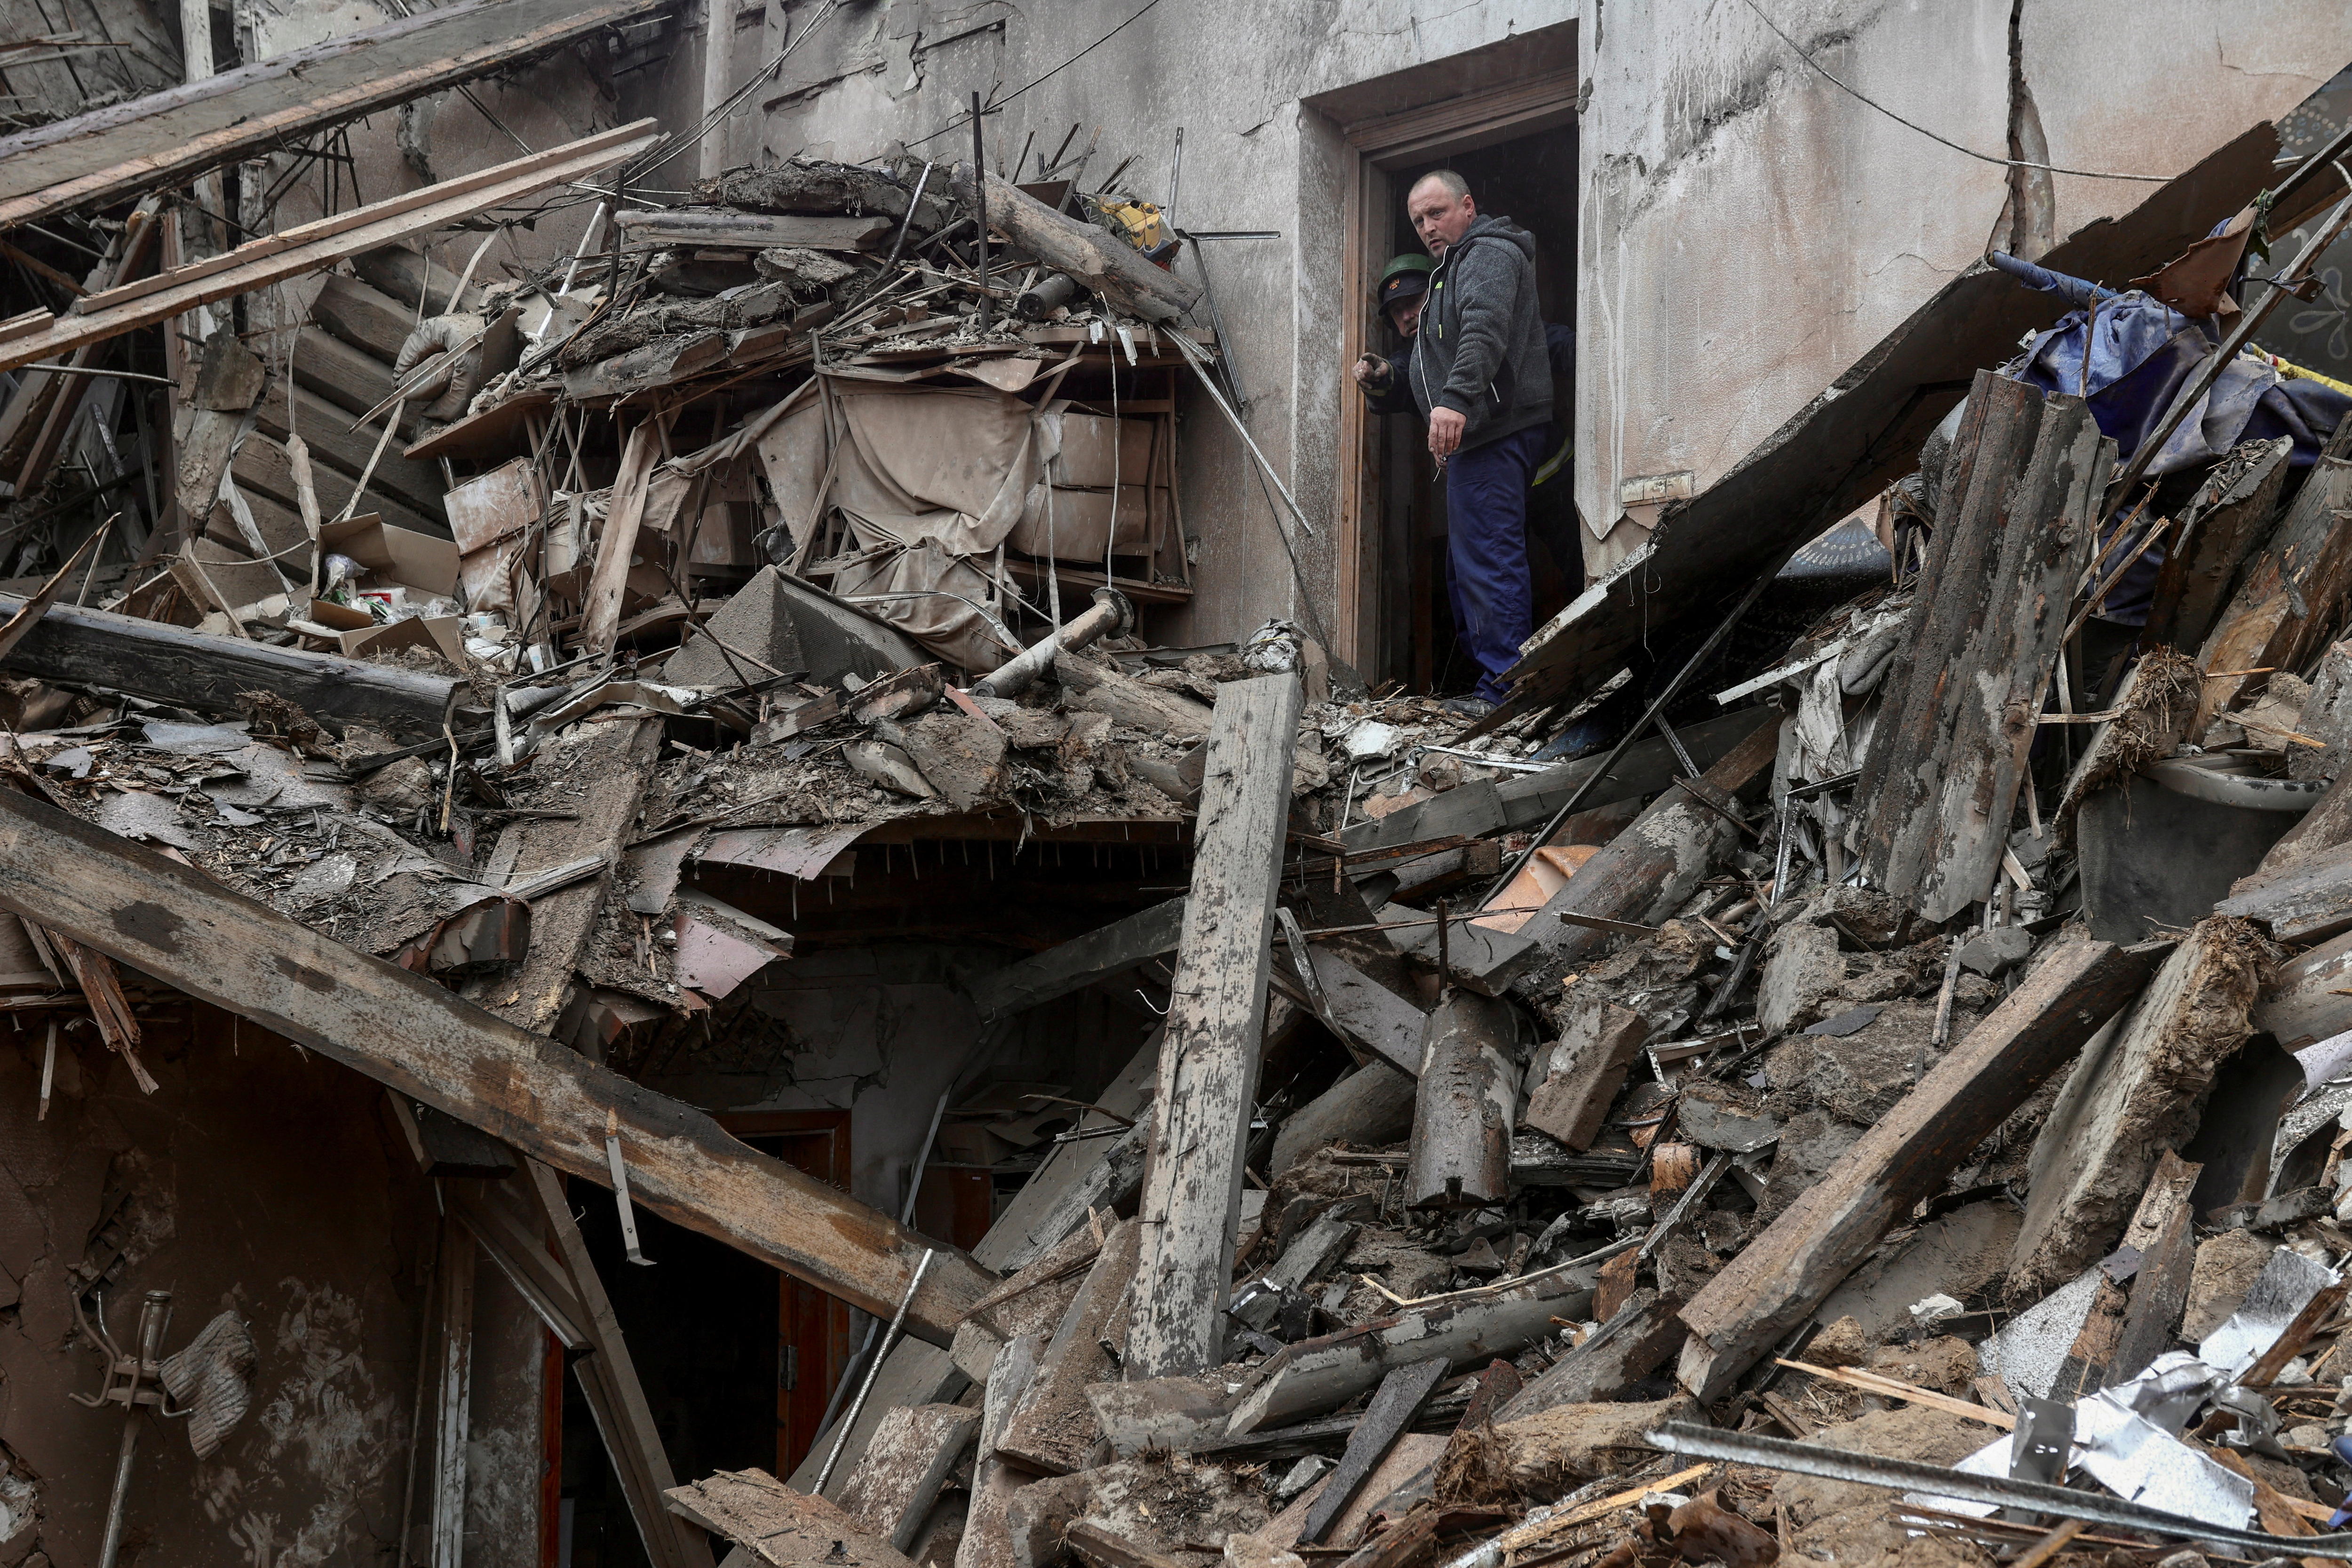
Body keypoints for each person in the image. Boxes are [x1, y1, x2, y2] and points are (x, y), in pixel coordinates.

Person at [1351, 171, 1553, 715]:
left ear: (1467, 205)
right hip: (1479, 439)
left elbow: (1483, 330)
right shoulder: (1450, 270)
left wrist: (1456, 399)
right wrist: (1390, 380)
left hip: (1494, 432)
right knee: (1469, 566)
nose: (1427, 227)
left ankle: (1505, 693)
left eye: (1436, 213)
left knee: (1489, 561)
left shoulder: (1485, 252)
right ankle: (1494, 686)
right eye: (1418, 220)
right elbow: (1431, 356)